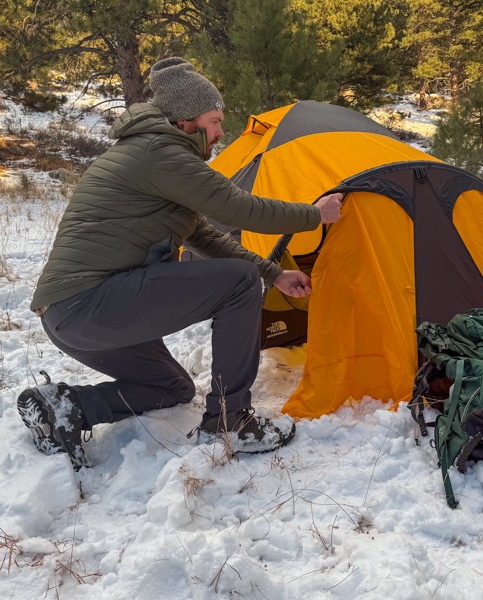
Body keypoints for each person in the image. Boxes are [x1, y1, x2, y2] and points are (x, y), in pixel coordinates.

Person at [17, 57, 342, 468]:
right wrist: (315, 214)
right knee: (239, 282)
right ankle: (231, 422)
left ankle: (66, 410)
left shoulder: (153, 156)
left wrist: (274, 274)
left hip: (69, 317)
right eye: (215, 120)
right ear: (187, 120)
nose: (222, 132)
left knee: (171, 387)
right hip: (89, 305)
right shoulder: (160, 153)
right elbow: (237, 208)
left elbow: (203, 236)